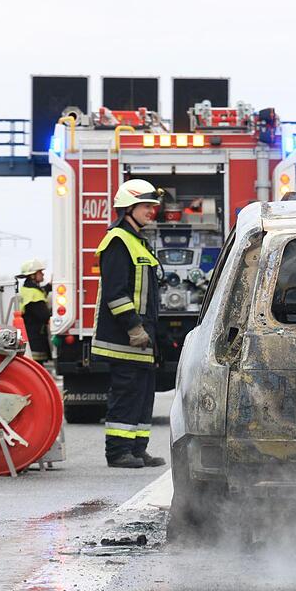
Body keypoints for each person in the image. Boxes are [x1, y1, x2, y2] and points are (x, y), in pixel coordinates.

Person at [92, 179, 167, 469]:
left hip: (143, 338)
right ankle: (118, 452)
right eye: (147, 206)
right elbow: (115, 293)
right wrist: (134, 327)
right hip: (124, 338)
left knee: (143, 394)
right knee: (125, 393)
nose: (152, 212)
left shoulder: (138, 242)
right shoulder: (117, 241)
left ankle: (138, 449)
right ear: (128, 208)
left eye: (153, 207)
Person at [17, 259, 52, 364]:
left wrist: (50, 285)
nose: (42, 274)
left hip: (31, 335)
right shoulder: (33, 294)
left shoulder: (29, 289)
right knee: (36, 365)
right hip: (34, 338)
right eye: (39, 272)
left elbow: (41, 292)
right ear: (32, 275)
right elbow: (43, 315)